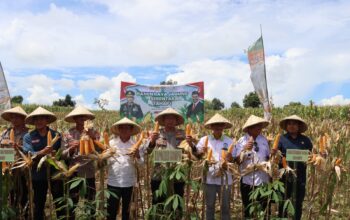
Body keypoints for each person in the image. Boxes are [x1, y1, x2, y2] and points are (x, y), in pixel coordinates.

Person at [147, 108, 196, 213]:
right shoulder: (155, 134)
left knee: (176, 205)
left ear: (176, 121)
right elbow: (147, 152)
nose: (170, 121)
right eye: (167, 118)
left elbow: (196, 153)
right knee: (158, 203)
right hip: (159, 175)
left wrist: (191, 143)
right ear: (163, 121)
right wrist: (152, 141)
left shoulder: (184, 135)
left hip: (177, 175)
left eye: (172, 118)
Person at [22, 107, 64, 220]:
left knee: (59, 203)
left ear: (47, 120)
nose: (39, 121)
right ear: (33, 122)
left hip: (55, 175)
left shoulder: (57, 135)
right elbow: (28, 153)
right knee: (39, 204)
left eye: (42, 119)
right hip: (38, 174)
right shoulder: (28, 136)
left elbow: (63, 153)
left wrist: (56, 155)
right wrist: (42, 152)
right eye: (36, 119)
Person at [62, 105, 100, 219]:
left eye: (84, 117)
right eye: (79, 117)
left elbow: (101, 151)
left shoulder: (95, 133)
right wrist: (71, 149)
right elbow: (62, 155)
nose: (82, 119)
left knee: (90, 202)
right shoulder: (67, 134)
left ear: (87, 119)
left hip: (89, 171)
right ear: (74, 119)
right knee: (72, 203)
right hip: (73, 172)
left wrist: (93, 139)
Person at [196, 113, 234, 220]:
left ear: (224, 126)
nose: (218, 127)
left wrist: (230, 158)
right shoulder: (204, 140)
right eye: (215, 125)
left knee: (225, 207)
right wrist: (201, 151)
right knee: (209, 206)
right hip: (209, 179)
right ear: (211, 126)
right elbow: (197, 155)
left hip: (225, 179)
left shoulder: (229, 141)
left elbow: (234, 159)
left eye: (220, 125)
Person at [232, 115, 270, 219]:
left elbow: (268, 158)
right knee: (248, 210)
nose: (259, 128)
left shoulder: (264, 140)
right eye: (256, 126)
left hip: (263, 180)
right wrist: (244, 150)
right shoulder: (241, 141)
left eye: (260, 126)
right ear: (249, 128)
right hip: (247, 181)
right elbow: (236, 161)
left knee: (264, 210)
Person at [276, 115, 312, 220]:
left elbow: (310, 154)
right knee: (283, 200)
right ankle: (282, 218)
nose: (292, 126)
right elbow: (276, 155)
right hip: (284, 175)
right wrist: (274, 154)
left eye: (294, 123)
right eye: (289, 123)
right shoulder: (281, 139)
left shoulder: (305, 140)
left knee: (298, 202)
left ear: (299, 126)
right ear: (286, 126)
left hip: (300, 175)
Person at [106, 117, 143, 220]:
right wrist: (105, 156)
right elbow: (104, 162)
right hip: (113, 183)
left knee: (127, 212)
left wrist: (138, 155)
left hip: (129, 183)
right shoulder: (111, 143)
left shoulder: (136, 144)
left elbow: (141, 163)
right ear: (118, 129)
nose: (124, 130)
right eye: (121, 128)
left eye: (127, 128)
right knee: (111, 212)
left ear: (131, 130)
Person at [0, 106, 29, 216]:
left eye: (17, 117)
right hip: (7, 168)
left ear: (23, 119)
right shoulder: (5, 132)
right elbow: (2, 151)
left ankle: (24, 214)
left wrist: (18, 147)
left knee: (23, 193)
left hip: (22, 168)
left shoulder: (28, 133)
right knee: (10, 194)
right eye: (12, 117)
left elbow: (29, 151)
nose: (14, 120)